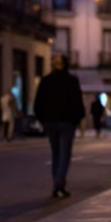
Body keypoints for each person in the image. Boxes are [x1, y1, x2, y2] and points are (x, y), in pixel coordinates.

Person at [34, 53, 86, 198]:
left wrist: (43, 119)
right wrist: (76, 119)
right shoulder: (72, 81)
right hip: (67, 123)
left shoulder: (46, 81)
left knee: (56, 153)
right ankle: (58, 183)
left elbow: (38, 103)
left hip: (51, 122)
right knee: (64, 154)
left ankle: (58, 185)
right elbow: (78, 103)